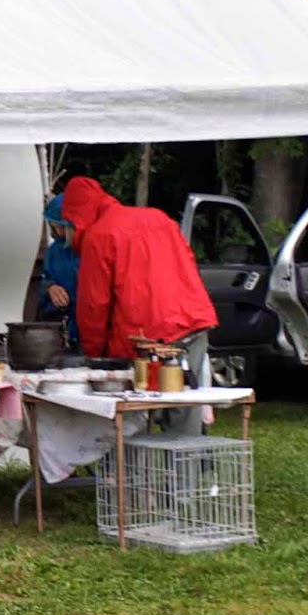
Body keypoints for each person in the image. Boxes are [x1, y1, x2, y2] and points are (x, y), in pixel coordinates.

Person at [62, 176, 218, 432]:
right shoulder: (158, 218)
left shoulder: (98, 237)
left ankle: (127, 470)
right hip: (193, 322)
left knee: (131, 414)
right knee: (186, 404)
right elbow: (188, 260)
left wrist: (95, 355)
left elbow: (94, 307)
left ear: (74, 217)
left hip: (147, 337)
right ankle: (187, 468)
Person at [36, 194, 79, 344]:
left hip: (85, 325)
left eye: (62, 227)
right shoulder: (54, 250)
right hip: (58, 326)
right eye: (55, 227)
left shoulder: (91, 247)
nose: (59, 233)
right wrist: (50, 287)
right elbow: (44, 279)